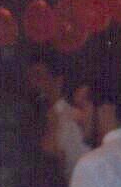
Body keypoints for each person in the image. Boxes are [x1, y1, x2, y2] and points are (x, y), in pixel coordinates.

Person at [24, 50, 91, 179]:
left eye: (38, 76)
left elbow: (79, 168)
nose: (33, 84)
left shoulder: (73, 119)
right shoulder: (30, 119)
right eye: (30, 78)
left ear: (58, 81)